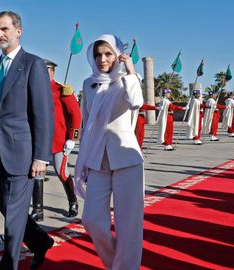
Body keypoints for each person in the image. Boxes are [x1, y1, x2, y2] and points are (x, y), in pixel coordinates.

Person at [0, 11, 54, 270]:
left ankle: (9, 265)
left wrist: (41, 156)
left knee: (13, 219)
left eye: (5, 29)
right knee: (6, 208)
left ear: (18, 31)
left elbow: (42, 114)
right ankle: (40, 242)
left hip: (23, 153)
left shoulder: (33, 64)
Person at [74, 34, 144, 269]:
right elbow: (87, 123)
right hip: (97, 159)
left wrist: (131, 70)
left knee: (128, 225)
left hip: (126, 158)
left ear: (118, 54)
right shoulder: (88, 83)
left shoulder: (129, 80)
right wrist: (81, 157)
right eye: (98, 54)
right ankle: (117, 264)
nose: (102, 59)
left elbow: (137, 102)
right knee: (91, 219)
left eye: (108, 54)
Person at [29, 59, 81, 222]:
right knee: (37, 173)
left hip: (58, 141)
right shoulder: (33, 90)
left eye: (48, 71)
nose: (44, 74)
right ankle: (38, 210)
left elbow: (76, 115)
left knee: (62, 173)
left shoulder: (62, 90)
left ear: (53, 72)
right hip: (39, 142)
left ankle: (73, 202)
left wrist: (72, 138)